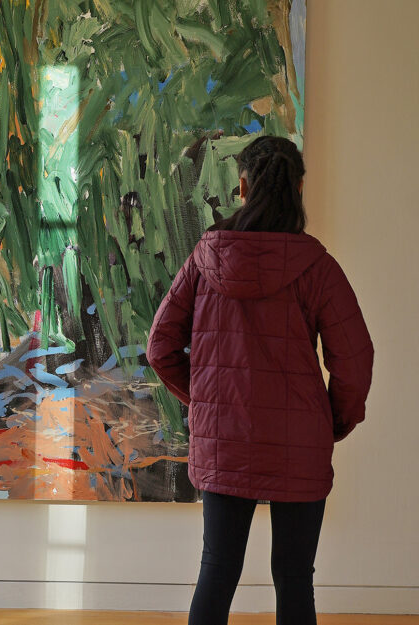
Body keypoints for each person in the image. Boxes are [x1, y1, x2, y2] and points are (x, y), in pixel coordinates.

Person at [146, 135, 375, 624]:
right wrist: (333, 420)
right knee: (295, 578)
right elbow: (355, 361)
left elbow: (160, 346)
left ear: (243, 187)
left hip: (224, 440)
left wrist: (206, 403)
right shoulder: (317, 268)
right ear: (298, 189)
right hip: (298, 441)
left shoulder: (204, 263)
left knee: (217, 571)